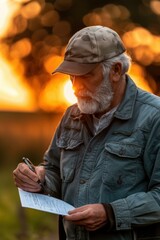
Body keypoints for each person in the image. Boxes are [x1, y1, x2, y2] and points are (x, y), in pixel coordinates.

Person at [13, 25, 160, 240]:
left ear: (116, 71)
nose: (75, 87)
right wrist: (38, 178)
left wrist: (110, 214)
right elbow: (53, 169)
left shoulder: (154, 118)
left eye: (86, 75)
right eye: (71, 76)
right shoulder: (71, 116)